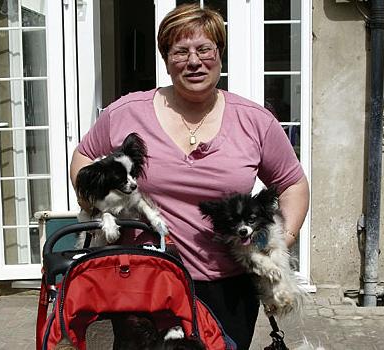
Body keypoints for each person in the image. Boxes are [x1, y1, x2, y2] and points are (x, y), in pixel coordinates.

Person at [70, 4, 309, 349]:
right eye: (180, 51)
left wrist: (278, 242)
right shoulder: (125, 113)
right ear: (166, 60)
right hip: (143, 280)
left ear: (220, 55)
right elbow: (84, 157)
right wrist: (97, 202)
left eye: (204, 49)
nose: (194, 61)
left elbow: (292, 183)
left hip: (229, 287)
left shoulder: (255, 121)